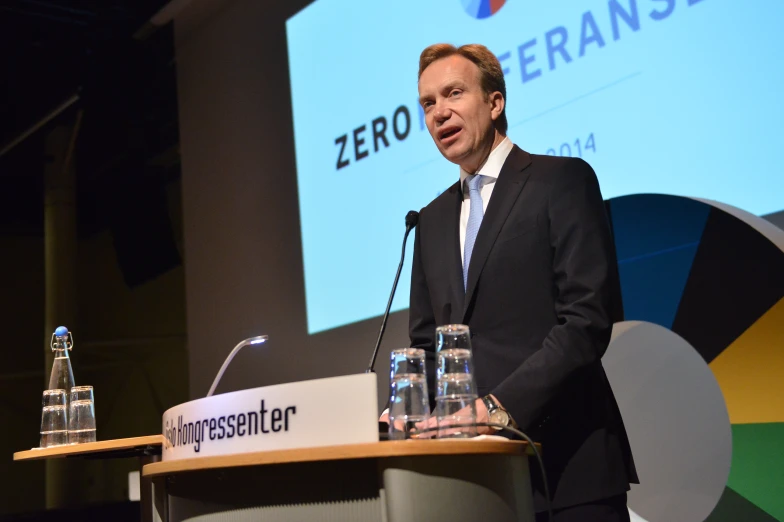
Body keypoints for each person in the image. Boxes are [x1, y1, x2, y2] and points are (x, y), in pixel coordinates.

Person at [406, 43, 638, 522]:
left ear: (495, 103)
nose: (439, 112)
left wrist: (497, 408)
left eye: (453, 93)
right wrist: (409, 407)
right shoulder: (428, 221)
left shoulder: (562, 181)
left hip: (569, 468)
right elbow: (425, 343)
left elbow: (586, 321)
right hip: (477, 482)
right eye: (428, 103)